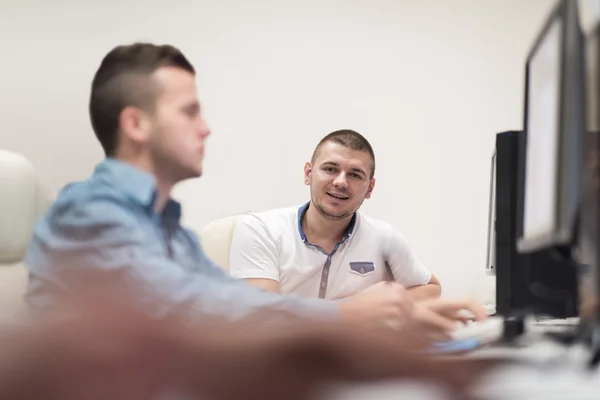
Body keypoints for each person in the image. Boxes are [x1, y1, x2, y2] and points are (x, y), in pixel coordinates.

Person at [24, 42, 483, 332]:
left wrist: (388, 323)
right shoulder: (89, 214)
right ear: (136, 123)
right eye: (190, 112)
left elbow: (232, 306)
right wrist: (350, 315)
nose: (206, 129)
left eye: (355, 176)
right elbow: (196, 308)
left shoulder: (173, 234)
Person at [229, 130, 441, 301]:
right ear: (308, 174)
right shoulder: (260, 229)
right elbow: (263, 317)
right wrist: (361, 307)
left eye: (355, 174)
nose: (341, 182)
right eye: (330, 169)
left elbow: (431, 288)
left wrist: (393, 299)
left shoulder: (383, 237)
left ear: (370, 188)